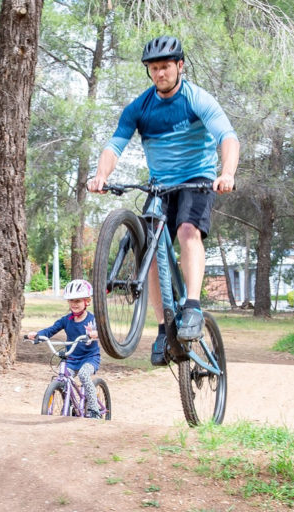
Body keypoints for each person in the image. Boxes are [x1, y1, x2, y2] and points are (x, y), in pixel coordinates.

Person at [87, 35, 240, 366]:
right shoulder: (140, 108)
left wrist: (226, 173)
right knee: (150, 250)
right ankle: (162, 328)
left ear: (180, 66)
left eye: (166, 67)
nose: (160, 73)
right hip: (160, 187)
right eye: (154, 68)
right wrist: (100, 175)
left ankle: (193, 306)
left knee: (187, 231)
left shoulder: (197, 99)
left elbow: (228, 137)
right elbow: (114, 146)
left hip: (197, 180)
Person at [25, 279, 102, 419]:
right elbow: (51, 330)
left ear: (87, 301)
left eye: (78, 301)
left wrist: (96, 333)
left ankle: (94, 409)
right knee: (62, 378)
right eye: (71, 301)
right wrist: (37, 335)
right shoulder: (66, 320)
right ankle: (69, 405)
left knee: (84, 375)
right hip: (72, 358)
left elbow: (103, 332)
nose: (74, 304)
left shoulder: (93, 320)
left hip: (89, 358)